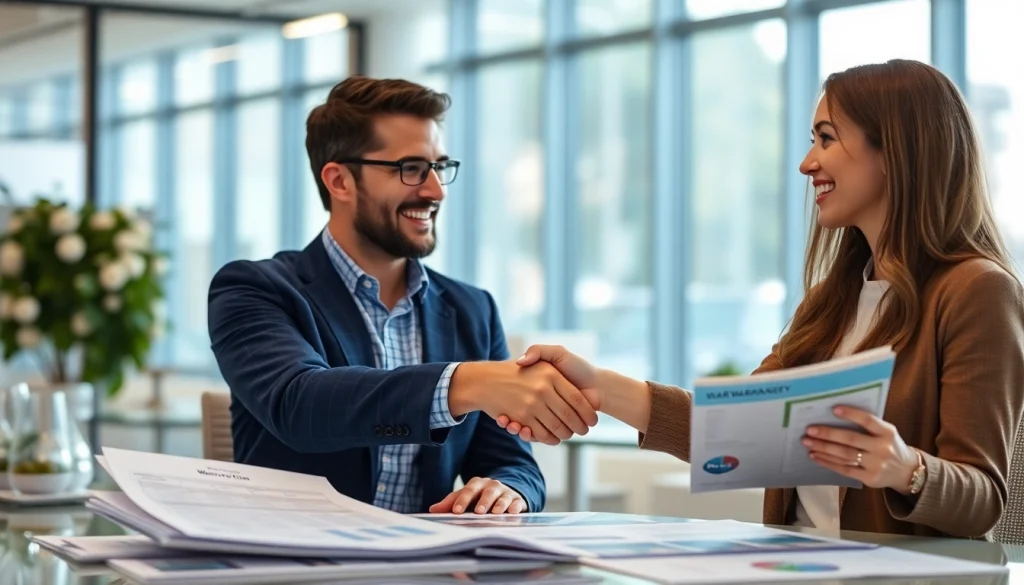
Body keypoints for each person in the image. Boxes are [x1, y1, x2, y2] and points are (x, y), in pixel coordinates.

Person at [499, 59, 1024, 539]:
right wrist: (598, 386)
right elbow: (729, 431)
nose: (805, 163)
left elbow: (983, 501)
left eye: (825, 138)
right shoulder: (831, 301)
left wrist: (904, 468)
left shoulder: (977, 291)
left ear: (895, 151)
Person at [208, 75, 598, 516]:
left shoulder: (472, 309)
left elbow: (509, 460)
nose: (435, 190)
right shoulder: (255, 288)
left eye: (439, 167)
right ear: (339, 181)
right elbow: (300, 404)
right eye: (410, 169)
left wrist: (507, 488)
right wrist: (464, 383)